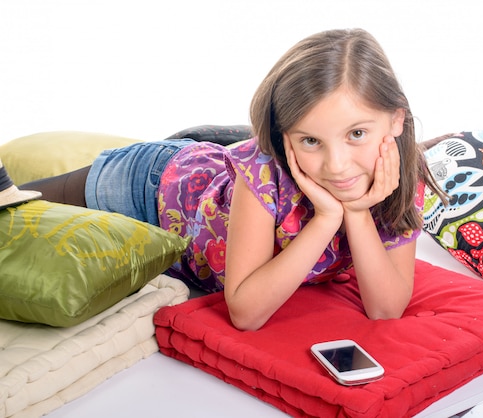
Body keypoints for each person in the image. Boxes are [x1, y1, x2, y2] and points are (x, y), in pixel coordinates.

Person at [21, 28, 447, 331]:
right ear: (285, 138)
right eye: (311, 140)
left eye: (357, 134)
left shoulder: (399, 178)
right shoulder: (264, 173)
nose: (337, 165)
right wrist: (323, 220)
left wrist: (351, 213)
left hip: (193, 209)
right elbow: (245, 312)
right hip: (149, 186)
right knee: (19, 205)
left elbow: (386, 309)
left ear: (395, 120)